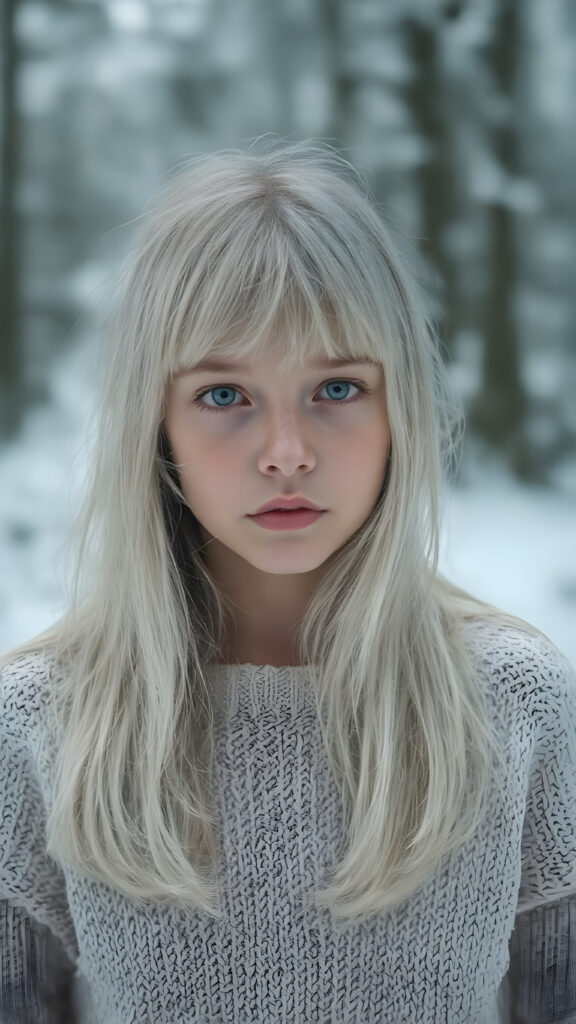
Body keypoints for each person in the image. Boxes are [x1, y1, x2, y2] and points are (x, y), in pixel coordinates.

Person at [1, 139, 574, 1024]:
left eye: (337, 389)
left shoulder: (514, 704)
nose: (287, 454)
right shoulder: (41, 723)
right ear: (156, 424)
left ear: (401, 410)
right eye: (224, 396)